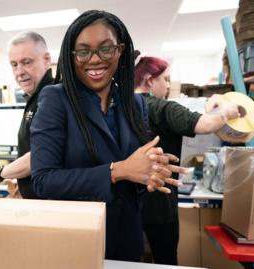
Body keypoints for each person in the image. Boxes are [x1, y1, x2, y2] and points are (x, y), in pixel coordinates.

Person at [30, 10, 186, 262]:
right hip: (77, 240)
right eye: (83, 51)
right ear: (71, 56)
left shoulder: (136, 104)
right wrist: (118, 170)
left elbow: (137, 173)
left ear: (120, 51)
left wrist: (151, 173)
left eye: (105, 49)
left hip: (127, 237)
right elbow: (44, 180)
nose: (94, 60)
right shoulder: (56, 100)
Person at [134, 52, 240, 265]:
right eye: (165, 79)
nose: (166, 85)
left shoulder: (119, 109)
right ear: (149, 80)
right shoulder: (163, 108)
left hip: (128, 207)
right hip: (160, 207)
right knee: (165, 261)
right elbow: (206, 125)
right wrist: (227, 111)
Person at [0, 31, 53, 199]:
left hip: (49, 204)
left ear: (46, 60)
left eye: (27, 62)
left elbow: (40, 155)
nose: (19, 71)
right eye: (14, 64)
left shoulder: (52, 97)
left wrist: (0, 173)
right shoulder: (36, 97)